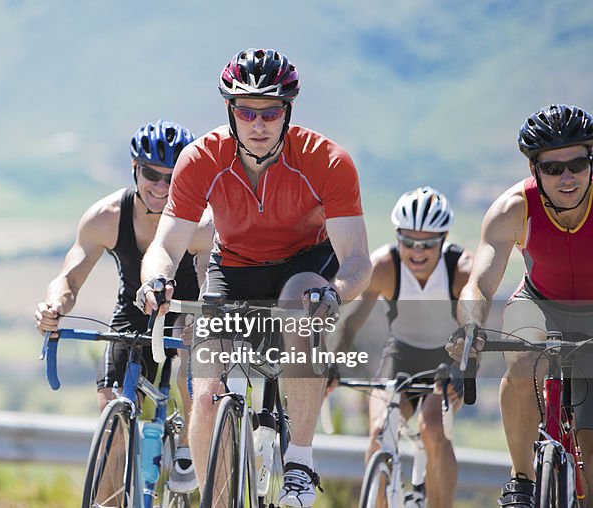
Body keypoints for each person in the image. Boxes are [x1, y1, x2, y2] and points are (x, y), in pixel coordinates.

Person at [136, 48, 372, 507]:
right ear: (230, 111)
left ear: (288, 112)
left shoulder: (328, 161)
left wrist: (336, 293)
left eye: (271, 112)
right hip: (235, 268)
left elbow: (358, 261)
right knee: (203, 395)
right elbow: (165, 247)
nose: (258, 124)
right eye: (246, 111)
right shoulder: (200, 158)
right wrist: (156, 281)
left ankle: (300, 463)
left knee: (296, 308)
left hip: (306, 266)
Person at [35, 119, 215, 494]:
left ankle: (188, 446)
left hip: (188, 309)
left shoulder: (200, 223)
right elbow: (69, 278)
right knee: (111, 427)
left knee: (192, 343)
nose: (162, 187)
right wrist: (54, 306)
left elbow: (210, 288)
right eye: (152, 174)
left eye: (173, 177)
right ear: (135, 168)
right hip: (134, 314)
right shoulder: (106, 217)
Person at [447, 104, 593, 507]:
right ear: (534, 170)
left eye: (578, 164)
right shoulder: (513, 208)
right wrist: (471, 328)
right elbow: (480, 282)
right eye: (552, 168)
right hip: (538, 302)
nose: (567, 177)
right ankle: (522, 479)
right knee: (522, 358)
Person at [333, 186, 471, 508]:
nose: (416, 252)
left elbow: (474, 329)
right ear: (397, 237)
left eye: (427, 244)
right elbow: (350, 323)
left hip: (447, 360)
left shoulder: (461, 270)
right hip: (401, 355)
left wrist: (463, 371)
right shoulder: (384, 266)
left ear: (444, 237)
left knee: (433, 429)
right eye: (407, 241)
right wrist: (330, 363)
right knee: (381, 433)